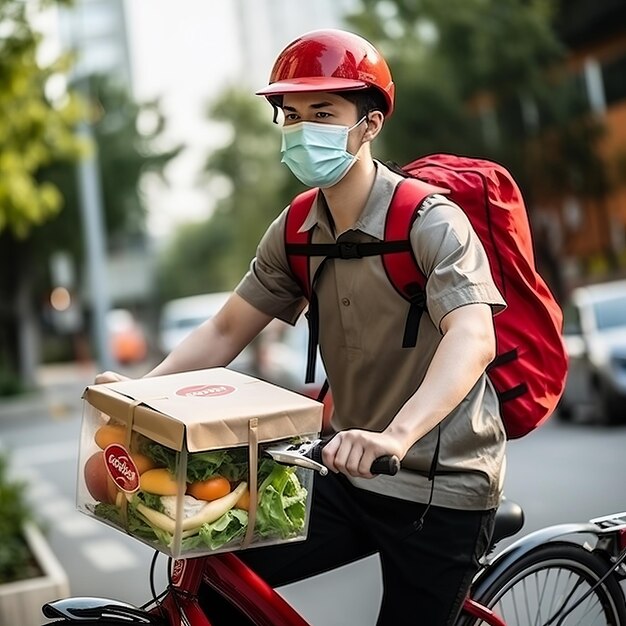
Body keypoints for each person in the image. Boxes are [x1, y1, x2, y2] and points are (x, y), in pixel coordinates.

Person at [97, 29, 507, 626]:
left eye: (322, 112)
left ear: (369, 124)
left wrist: (394, 436)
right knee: (219, 582)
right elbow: (223, 331)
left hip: (438, 485)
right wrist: (137, 396)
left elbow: (473, 336)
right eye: (290, 115)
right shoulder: (295, 231)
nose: (301, 128)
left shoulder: (430, 222)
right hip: (343, 470)